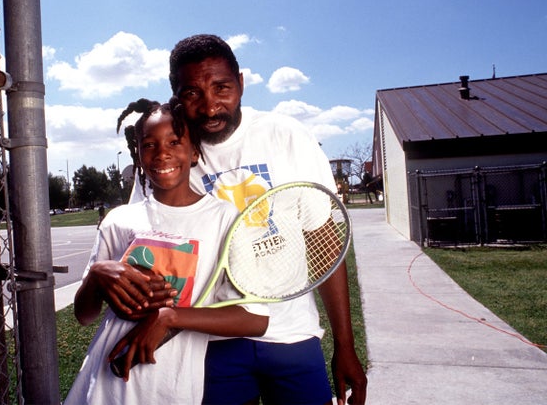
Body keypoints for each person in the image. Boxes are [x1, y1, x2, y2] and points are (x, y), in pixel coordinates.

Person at [132, 34, 367, 405]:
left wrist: (345, 344)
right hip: (209, 344)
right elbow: (148, 244)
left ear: (241, 83)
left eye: (221, 88)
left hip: (291, 335)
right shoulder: (170, 154)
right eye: (192, 94)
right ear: (176, 96)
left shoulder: (285, 135)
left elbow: (322, 240)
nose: (211, 107)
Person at [64, 99, 268, 404]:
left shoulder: (224, 219)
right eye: (149, 145)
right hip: (102, 388)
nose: (162, 153)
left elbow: (255, 320)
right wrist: (97, 274)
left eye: (175, 141)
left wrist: (170, 317)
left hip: (171, 389)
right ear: (139, 155)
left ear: (195, 151)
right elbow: (84, 315)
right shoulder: (120, 219)